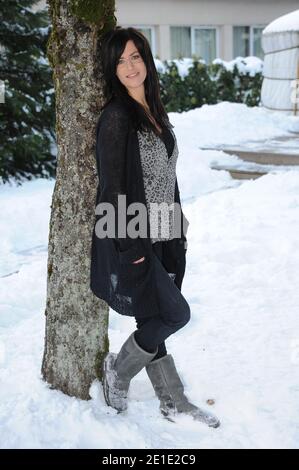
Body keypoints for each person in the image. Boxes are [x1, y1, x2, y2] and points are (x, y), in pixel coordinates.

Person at [91, 27, 220, 428]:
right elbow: (113, 187)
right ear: (112, 70)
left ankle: (173, 400)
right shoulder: (115, 117)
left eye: (135, 56)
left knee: (152, 320)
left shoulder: (153, 111)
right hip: (133, 235)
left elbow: (166, 175)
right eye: (120, 61)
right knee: (175, 314)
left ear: (145, 58)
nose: (130, 66)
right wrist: (133, 247)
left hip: (165, 232)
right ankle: (120, 371)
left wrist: (176, 229)